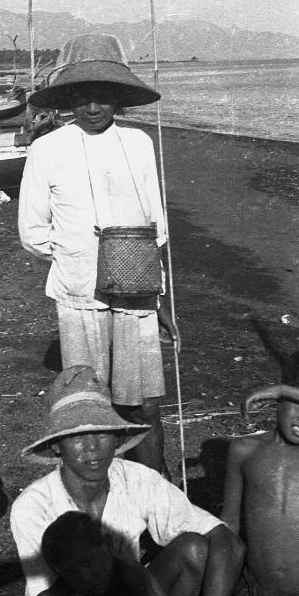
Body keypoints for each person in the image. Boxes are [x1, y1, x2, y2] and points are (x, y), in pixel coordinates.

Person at [18, 33, 179, 476]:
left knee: (144, 401)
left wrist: (156, 295)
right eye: (83, 98)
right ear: (69, 99)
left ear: (118, 100)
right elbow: (32, 232)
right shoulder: (47, 148)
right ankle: (100, 491)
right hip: (79, 294)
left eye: (103, 97)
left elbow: (156, 225)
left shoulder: (139, 144)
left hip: (136, 291)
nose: (93, 108)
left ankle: (158, 483)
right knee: (90, 401)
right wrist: (78, 254)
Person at [10, 365, 244, 596]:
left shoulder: (136, 478)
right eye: (77, 436)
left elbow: (225, 540)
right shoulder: (33, 507)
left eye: (101, 432)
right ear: (56, 445)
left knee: (193, 548)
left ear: (117, 437)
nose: (92, 447)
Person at [221, 338, 299, 596]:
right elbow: (229, 525)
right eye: (298, 402)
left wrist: (282, 389)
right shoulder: (244, 451)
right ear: (278, 403)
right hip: (254, 593)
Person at [12, 510, 173, 596]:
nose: (84, 577)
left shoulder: (130, 576)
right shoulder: (78, 575)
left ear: (107, 545)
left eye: (88, 563)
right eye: (71, 573)